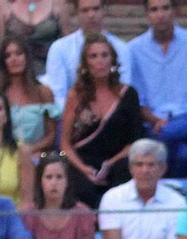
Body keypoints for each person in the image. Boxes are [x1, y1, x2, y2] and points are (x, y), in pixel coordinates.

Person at [125, 0, 187, 179]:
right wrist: (154, 119)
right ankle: (170, 190)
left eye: (165, 8)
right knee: (183, 154)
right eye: (154, 9)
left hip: (186, 118)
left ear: (175, 11)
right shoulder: (134, 49)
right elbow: (134, 95)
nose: (160, 14)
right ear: (147, 14)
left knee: (166, 133)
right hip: (151, 121)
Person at [58, 31, 139, 207]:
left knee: (124, 173)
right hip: (83, 162)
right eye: (93, 56)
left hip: (117, 161)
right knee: (80, 186)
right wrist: (83, 169)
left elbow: (134, 142)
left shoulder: (128, 94)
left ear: (113, 60)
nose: (100, 61)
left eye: (104, 55)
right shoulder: (75, 95)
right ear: (86, 63)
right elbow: (65, 145)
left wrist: (110, 163)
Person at [98, 137, 181, 239]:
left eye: (151, 165)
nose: (145, 170)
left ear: (163, 168)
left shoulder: (176, 202)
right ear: (131, 168)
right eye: (139, 164)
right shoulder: (112, 198)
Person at [42, 0, 127, 108]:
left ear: (104, 10)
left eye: (96, 9)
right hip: (72, 116)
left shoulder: (121, 48)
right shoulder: (60, 48)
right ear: (77, 12)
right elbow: (58, 94)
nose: (91, 15)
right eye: (85, 10)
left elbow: (124, 88)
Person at [0, 33, 56, 156]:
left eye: (18, 53)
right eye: (8, 55)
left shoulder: (44, 92)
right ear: (3, 61)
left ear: (27, 57)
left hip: (36, 154)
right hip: (3, 154)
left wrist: (30, 150)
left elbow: (51, 135)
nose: (14, 59)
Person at [24, 151, 93, 239]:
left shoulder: (83, 213)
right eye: (48, 177)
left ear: (67, 182)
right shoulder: (28, 214)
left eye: (59, 177)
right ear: (40, 181)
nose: (54, 183)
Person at [0, 0, 62, 74]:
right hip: (16, 71)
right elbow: (0, 44)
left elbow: (68, 40)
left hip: (51, 68)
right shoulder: (4, 3)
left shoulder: (58, 3)